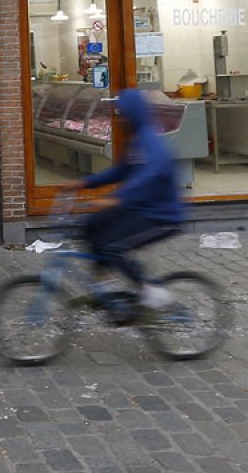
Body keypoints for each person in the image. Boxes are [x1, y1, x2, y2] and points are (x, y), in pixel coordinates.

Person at [68, 89, 186, 313]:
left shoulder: (150, 141)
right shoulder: (137, 141)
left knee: (113, 245)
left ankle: (151, 291)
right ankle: (103, 285)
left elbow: (149, 174)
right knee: (91, 225)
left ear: (134, 115)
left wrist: (116, 198)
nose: (120, 119)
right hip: (140, 209)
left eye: (123, 114)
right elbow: (120, 172)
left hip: (161, 215)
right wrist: (85, 183)